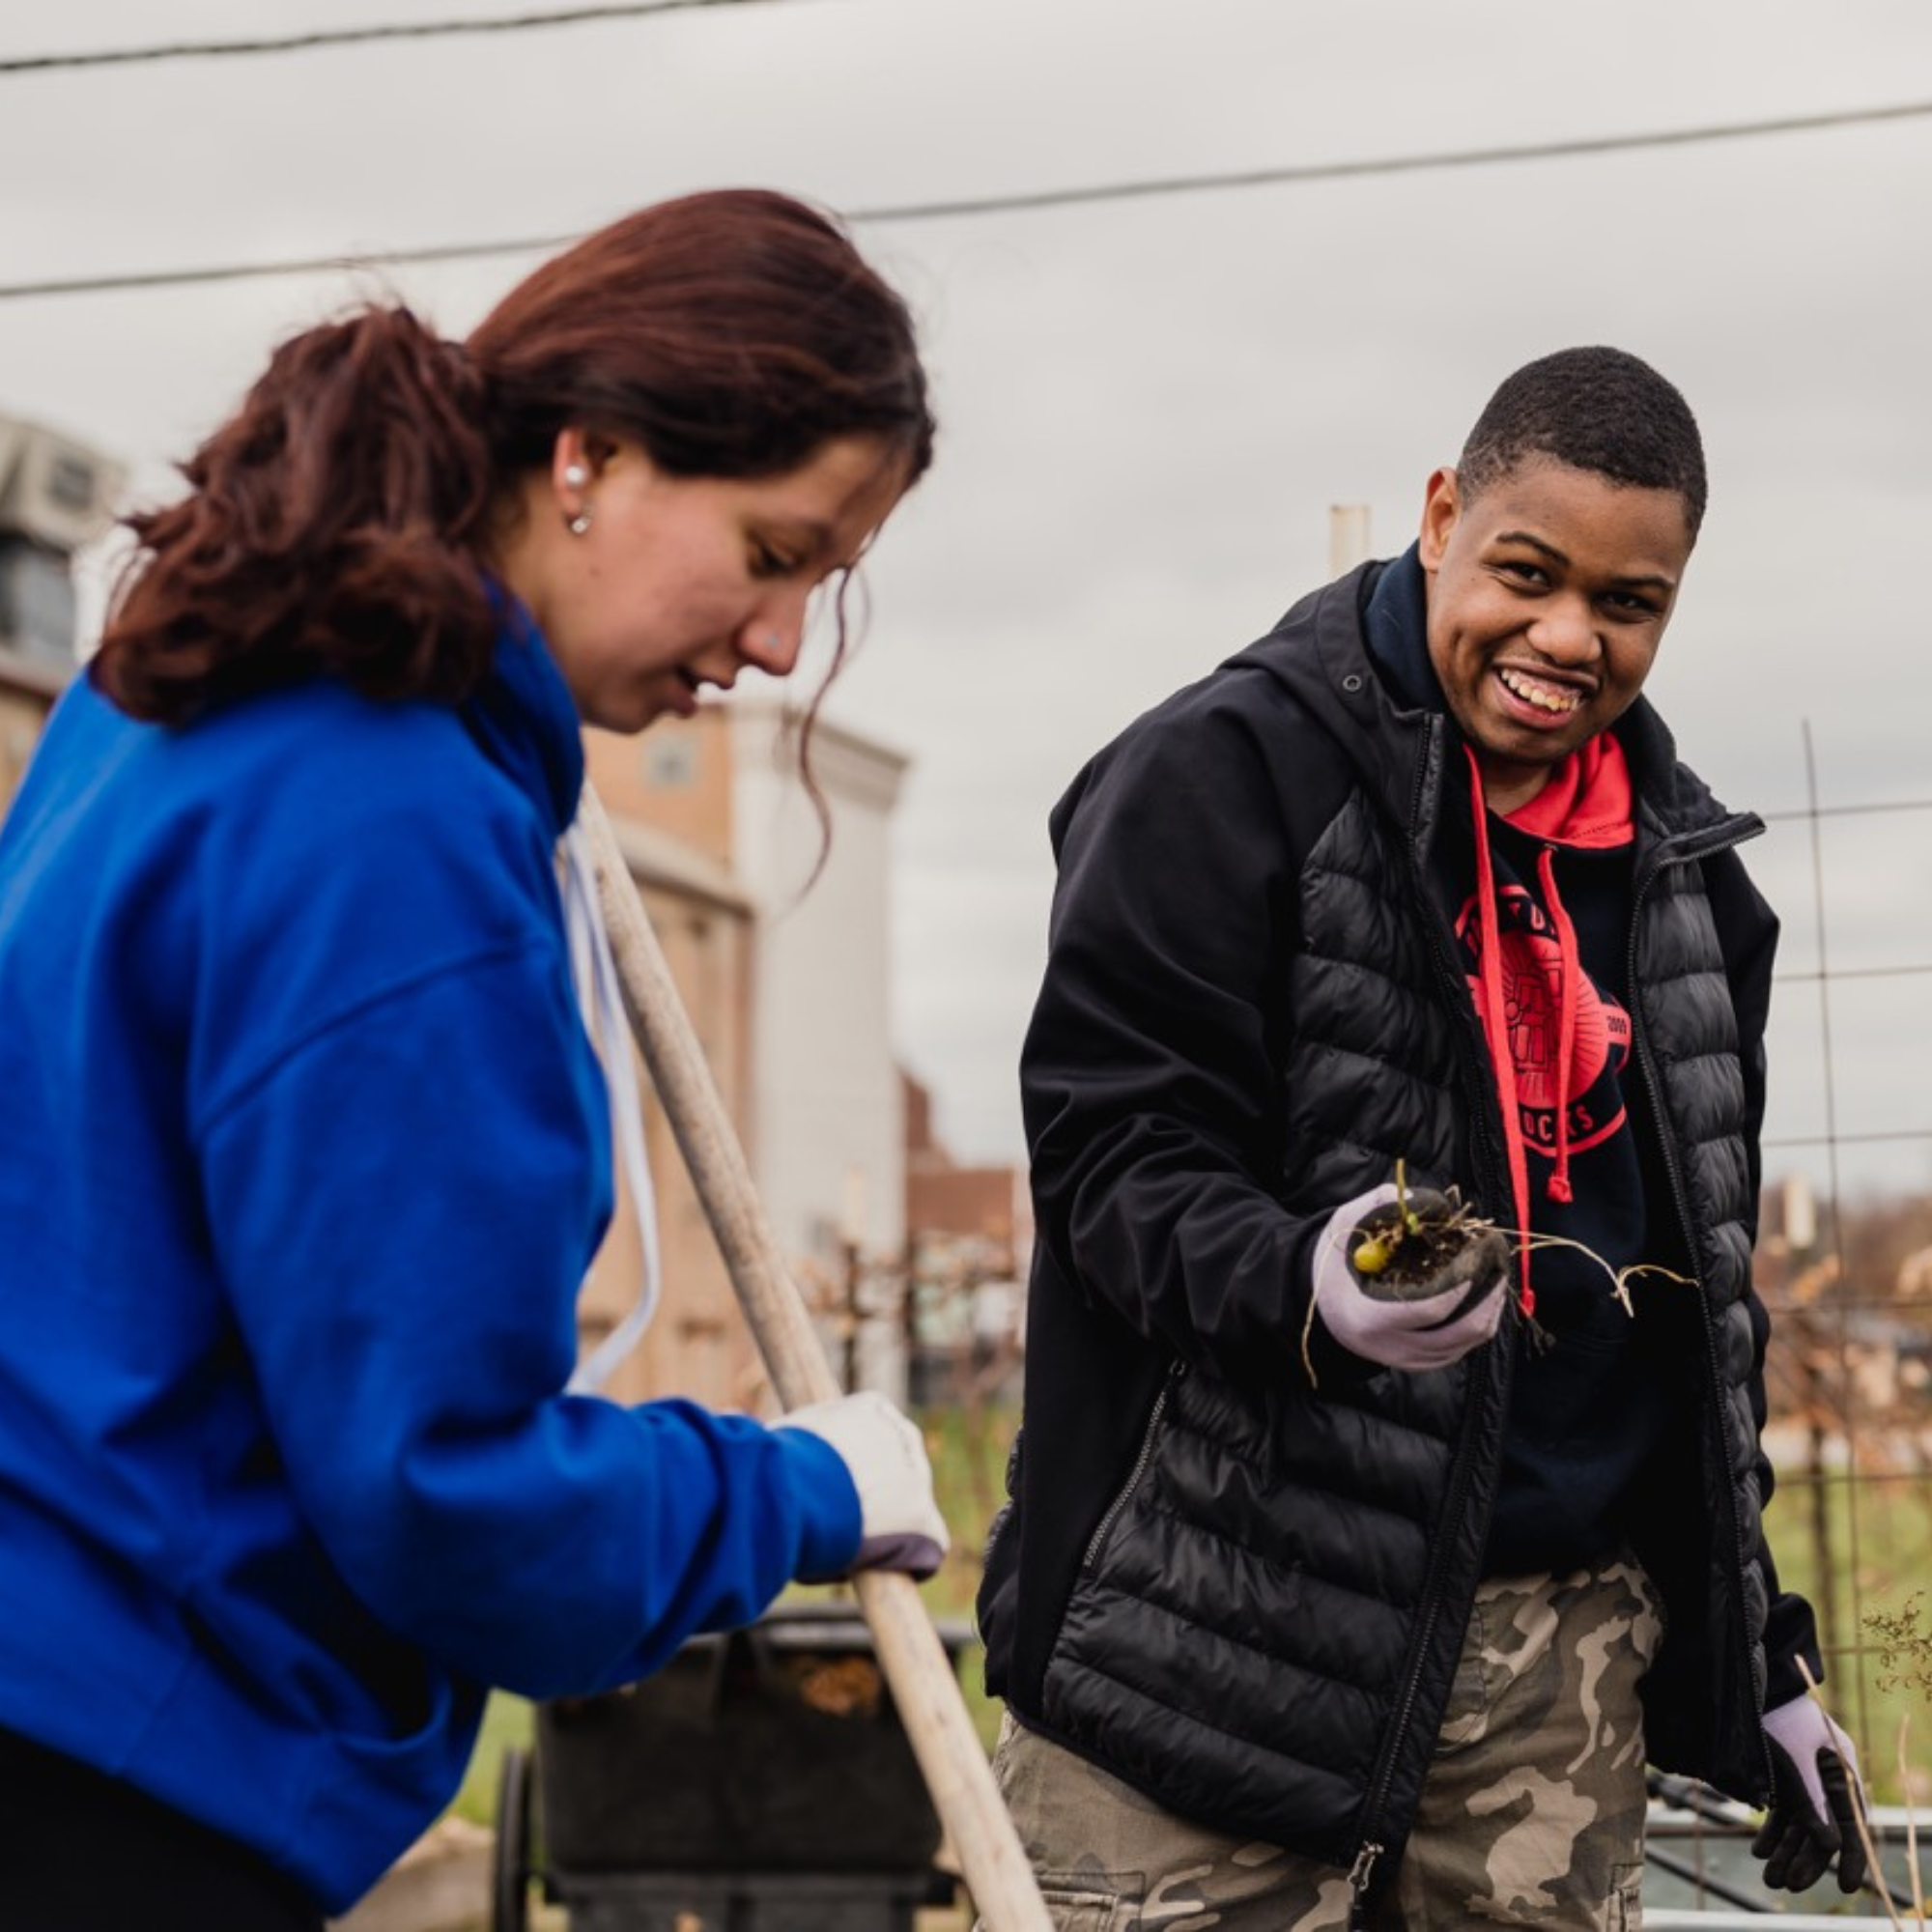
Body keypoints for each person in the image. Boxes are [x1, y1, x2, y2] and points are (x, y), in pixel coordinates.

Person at [0, 187, 950, 1930]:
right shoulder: (395, 817)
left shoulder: (176, 685)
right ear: (591, 456)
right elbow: (446, 1495)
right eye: (773, 554)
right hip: (117, 1772)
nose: (776, 648)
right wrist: (798, 1492)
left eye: (823, 588)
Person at [978, 347, 1869, 1928]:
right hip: (1215, 1647)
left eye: (1629, 603)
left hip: (1551, 1692)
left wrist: (1764, 1652)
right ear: (1445, 515)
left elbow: (1699, 1320)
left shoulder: (1690, 886)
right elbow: (1113, 1162)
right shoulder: (1224, 778)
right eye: (1528, 574)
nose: (1569, 638)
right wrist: (1304, 1280)